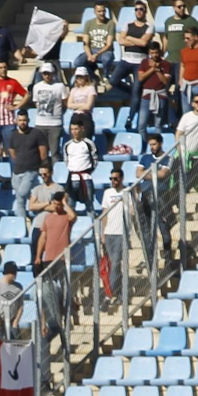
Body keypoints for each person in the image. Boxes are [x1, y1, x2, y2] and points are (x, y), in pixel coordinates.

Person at [5, 109, 46, 223]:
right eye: (20, 120)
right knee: (21, 200)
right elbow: (12, 152)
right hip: (17, 171)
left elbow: (43, 152)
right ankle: (22, 224)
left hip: (31, 170)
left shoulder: (36, 133)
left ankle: (34, 217)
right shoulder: (13, 136)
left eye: (24, 120)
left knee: (21, 194)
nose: (22, 122)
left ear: (28, 120)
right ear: (16, 121)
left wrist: (39, 165)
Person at [100, 167, 130, 300]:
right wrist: (102, 232)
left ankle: (110, 293)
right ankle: (120, 291)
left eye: (116, 178)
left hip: (121, 233)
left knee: (116, 262)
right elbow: (104, 214)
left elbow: (133, 211)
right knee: (112, 264)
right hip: (109, 233)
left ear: (122, 179)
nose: (113, 181)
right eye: (111, 178)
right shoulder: (107, 193)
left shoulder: (127, 192)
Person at [175, 90, 198, 193]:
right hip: (183, 154)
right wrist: (180, 150)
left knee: (194, 180)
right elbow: (178, 133)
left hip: (196, 156)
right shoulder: (187, 117)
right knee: (179, 181)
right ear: (192, 104)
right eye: (197, 102)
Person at [29, 62, 67, 160]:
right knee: (41, 152)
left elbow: (64, 103)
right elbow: (36, 102)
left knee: (54, 152)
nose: (47, 76)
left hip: (55, 124)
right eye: (45, 73)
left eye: (49, 73)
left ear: (53, 73)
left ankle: (56, 173)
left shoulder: (60, 86)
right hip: (40, 123)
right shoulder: (37, 87)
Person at [135, 42, 172, 132]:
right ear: (149, 52)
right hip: (146, 96)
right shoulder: (144, 62)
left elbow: (165, 81)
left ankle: (158, 144)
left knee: (158, 125)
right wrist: (152, 68)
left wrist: (157, 70)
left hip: (160, 96)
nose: (154, 55)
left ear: (159, 52)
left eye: (156, 53)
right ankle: (143, 144)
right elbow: (141, 78)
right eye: (152, 53)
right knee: (141, 125)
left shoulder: (166, 64)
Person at [63, 116, 97, 208]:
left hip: (85, 178)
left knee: (89, 206)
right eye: (72, 129)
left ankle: (92, 222)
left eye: (76, 129)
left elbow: (94, 160)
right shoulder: (67, 145)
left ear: (82, 129)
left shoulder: (88, 143)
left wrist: (87, 170)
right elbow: (66, 160)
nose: (74, 132)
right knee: (70, 206)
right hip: (72, 178)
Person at [80, 1, 117, 81]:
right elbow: (85, 43)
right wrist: (90, 55)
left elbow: (109, 44)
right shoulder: (89, 23)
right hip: (92, 50)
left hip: (105, 51)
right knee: (78, 62)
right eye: (99, 11)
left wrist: (96, 54)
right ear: (95, 12)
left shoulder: (110, 23)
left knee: (106, 58)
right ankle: (94, 77)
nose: (102, 13)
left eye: (103, 11)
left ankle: (105, 76)